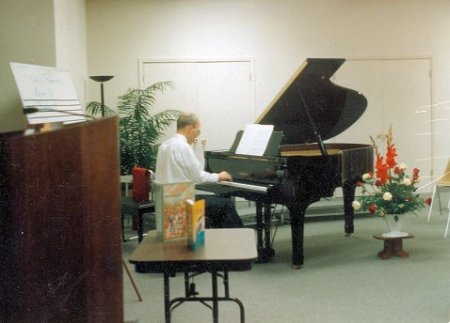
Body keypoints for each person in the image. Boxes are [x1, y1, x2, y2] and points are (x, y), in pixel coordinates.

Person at [155, 112, 243, 228]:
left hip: (168, 201)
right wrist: (219, 176)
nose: (197, 135)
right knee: (226, 205)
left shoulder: (164, 145)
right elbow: (198, 177)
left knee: (218, 203)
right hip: (181, 202)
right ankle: (240, 243)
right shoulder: (183, 147)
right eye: (198, 131)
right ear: (190, 128)